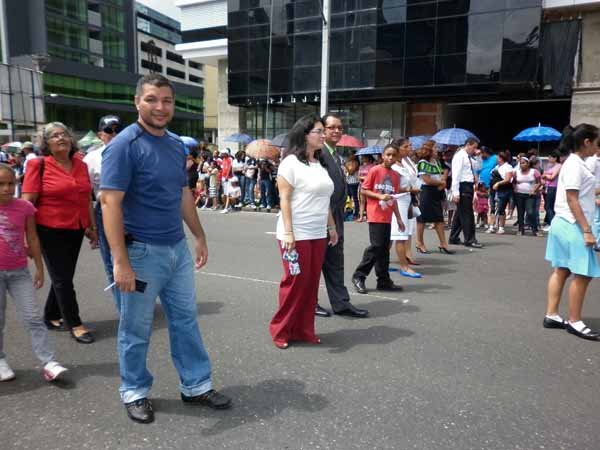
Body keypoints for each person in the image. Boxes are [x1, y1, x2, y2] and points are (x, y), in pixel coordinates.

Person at [100, 74, 231, 424]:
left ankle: (196, 385)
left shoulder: (175, 145)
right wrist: (120, 261)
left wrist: (199, 235)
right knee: (135, 328)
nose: (160, 107)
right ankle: (134, 391)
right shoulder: (123, 145)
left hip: (176, 250)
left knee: (186, 321)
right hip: (140, 253)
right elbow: (110, 203)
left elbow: (183, 194)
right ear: (137, 102)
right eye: (152, 99)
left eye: (167, 100)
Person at [22, 122, 98, 344]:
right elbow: (27, 203)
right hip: (49, 230)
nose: (61, 138)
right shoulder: (38, 164)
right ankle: (75, 323)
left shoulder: (80, 164)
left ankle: (51, 315)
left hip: (76, 228)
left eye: (64, 134)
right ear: (46, 142)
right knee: (63, 279)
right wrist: (25, 238)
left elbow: (86, 198)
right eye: (54, 136)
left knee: (63, 276)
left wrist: (91, 226)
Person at [270, 114, 337, 348]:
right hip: (295, 234)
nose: (323, 135)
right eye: (318, 131)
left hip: (318, 233)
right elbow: (285, 199)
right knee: (295, 281)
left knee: (310, 283)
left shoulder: (320, 164)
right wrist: (289, 233)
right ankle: (280, 330)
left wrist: (331, 227)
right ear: (305, 135)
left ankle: (304, 330)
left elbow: (324, 199)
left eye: (323, 131)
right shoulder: (290, 163)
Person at [0, 164, 68, 382]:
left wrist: (39, 267)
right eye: (1, 184)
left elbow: (32, 237)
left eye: (10, 183)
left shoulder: (24, 207)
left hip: (19, 272)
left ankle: (49, 362)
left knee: (33, 317)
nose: (6, 188)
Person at [544, 124, 600, 341]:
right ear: (587, 142)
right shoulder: (575, 164)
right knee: (583, 274)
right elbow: (572, 198)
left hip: (563, 221)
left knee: (562, 269)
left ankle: (552, 315)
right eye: (596, 143)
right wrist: (587, 230)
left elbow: (580, 192)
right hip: (573, 223)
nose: (597, 148)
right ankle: (575, 321)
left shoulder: (573, 163)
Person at [315, 113, 368, 318]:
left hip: (336, 214)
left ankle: (341, 303)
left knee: (335, 261)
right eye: (332, 127)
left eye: (340, 127)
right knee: (315, 263)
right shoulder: (318, 153)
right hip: (321, 215)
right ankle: (310, 302)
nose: (337, 131)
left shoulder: (336, 155)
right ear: (322, 130)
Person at [352, 144, 405, 294]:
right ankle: (359, 276)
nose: (390, 158)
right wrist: (379, 196)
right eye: (388, 154)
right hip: (375, 214)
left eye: (394, 155)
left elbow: (393, 198)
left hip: (387, 216)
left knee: (384, 249)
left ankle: (383, 280)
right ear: (383, 155)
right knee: (376, 246)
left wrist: (399, 218)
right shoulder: (375, 170)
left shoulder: (395, 175)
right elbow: (364, 190)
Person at [83, 115, 122, 307]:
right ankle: (123, 306)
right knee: (112, 260)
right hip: (105, 210)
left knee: (138, 258)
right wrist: (91, 225)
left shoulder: (133, 152)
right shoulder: (91, 159)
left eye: (117, 130)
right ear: (100, 134)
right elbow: (86, 194)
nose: (114, 134)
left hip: (132, 210)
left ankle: (136, 302)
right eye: (109, 130)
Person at [390, 137, 422, 278]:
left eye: (409, 146)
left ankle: (383, 263)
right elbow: (392, 188)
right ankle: (404, 266)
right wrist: (410, 189)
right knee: (400, 236)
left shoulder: (404, 163)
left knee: (394, 236)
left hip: (406, 201)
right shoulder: (394, 167)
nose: (409, 148)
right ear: (397, 149)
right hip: (398, 203)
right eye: (406, 146)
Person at [415, 142, 454, 255]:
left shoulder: (436, 162)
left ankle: (443, 243)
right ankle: (419, 243)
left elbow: (441, 174)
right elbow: (426, 179)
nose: (438, 150)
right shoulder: (423, 162)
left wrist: (442, 181)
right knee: (422, 219)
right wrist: (440, 183)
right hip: (426, 192)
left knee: (439, 218)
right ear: (429, 150)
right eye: (435, 148)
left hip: (436, 191)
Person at [449, 138, 483, 248]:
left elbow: (478, 167)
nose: (475, 150)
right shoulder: (460, 156)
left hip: (469, 185)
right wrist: (455, 192)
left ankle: (453, 237)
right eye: (474, 147)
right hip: (462, 185)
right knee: (467, 214)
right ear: (468, 145)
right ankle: (470, 239)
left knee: (460, 213)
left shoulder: (469, 157)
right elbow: (456, 175)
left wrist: (478, 156)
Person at [513, 157, 542, 236]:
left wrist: (534, 190)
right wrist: (515, 189)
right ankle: (520, 229)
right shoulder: (516, 172)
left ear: (528, 164)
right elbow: (514, 182)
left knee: (530, 212)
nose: (522, 165)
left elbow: (539, 182)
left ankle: (535, 230)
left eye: (523, 163)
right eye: (520, 163)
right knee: (520, 212)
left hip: (530, 195)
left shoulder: (534, 172)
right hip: (519, 194)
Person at [487, 150, 514, 235]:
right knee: (492, 208)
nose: (496, 159)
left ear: (501, 158)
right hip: (493, 190)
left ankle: (501, 227)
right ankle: (491, 226)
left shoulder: (508, 167)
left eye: (498, 158)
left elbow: (507, 179)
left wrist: (498, 183)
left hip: (503, 190)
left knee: (501, 208)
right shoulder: (496, 167)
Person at [542, 151, 562, 231]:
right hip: (547, 187)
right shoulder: (548, 165)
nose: (549, 159)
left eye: (550, 157)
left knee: (549, 206)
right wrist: (546, 177)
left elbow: (552, 177)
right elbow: (543, 175)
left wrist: (546, 176)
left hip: (553, 187)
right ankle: (551, 223)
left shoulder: (558, 166)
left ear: (555, 158)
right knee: (547, 206)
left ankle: (552, 224)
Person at [357, 154, 375, 222]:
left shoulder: (373, 166)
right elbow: (358, 176)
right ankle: (361, 217)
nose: (362, 159)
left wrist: (364, 178)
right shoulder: (361, 167)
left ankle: (369, 216)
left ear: (368, 158)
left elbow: (371, 177)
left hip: (369, 187)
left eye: (364, 157)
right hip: (362, 186)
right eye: (362, 158)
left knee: (369, 202)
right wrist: (360, 178)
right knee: (362, 202)